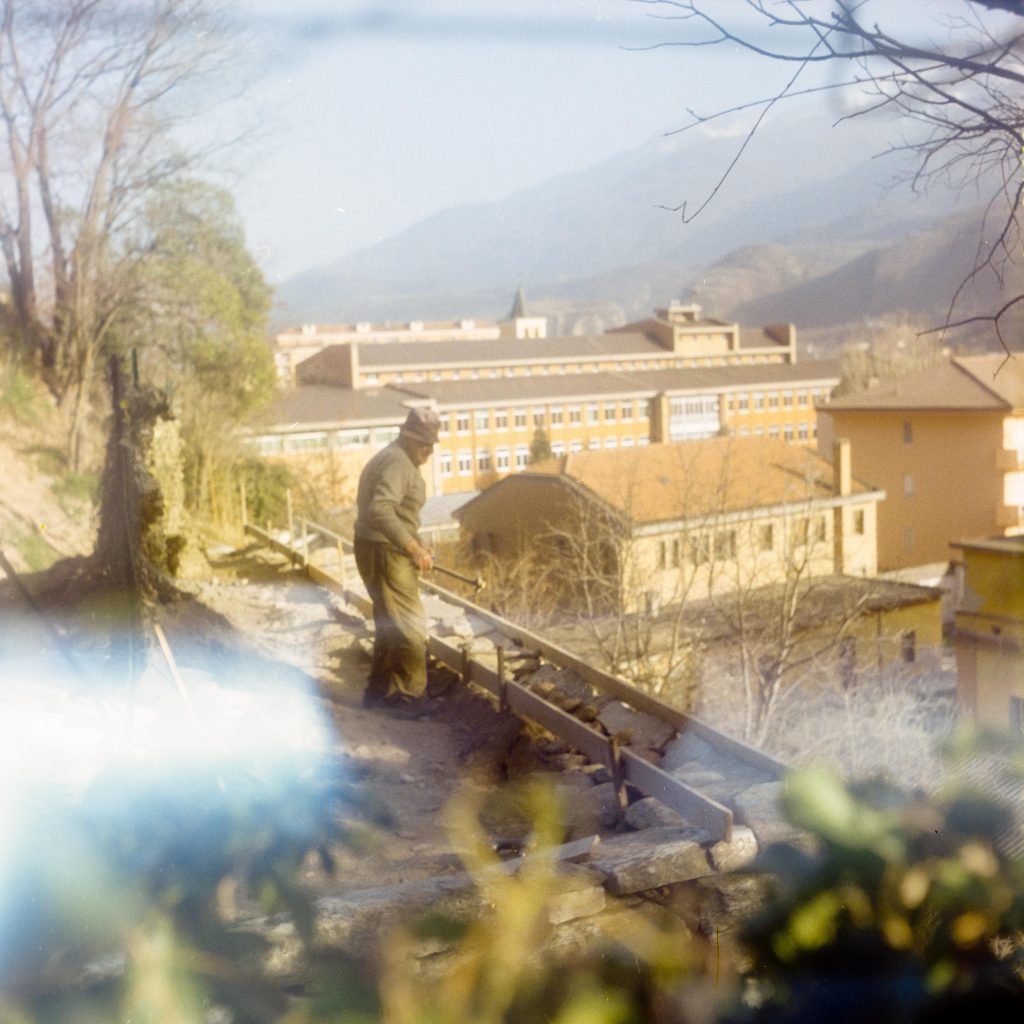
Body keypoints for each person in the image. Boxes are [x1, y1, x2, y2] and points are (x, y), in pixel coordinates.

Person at [353, 406, 441, 716]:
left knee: (390, 625)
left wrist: (415, 541)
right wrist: (411, 547)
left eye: (431, 444)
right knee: (410, 627)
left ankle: (378, 695)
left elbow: (397, 514)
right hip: (386, 553)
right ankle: (408, 700)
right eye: (424, 444)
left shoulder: (397, 458)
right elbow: (381, 510)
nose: (429, 451)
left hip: (380, 549)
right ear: (408, 437)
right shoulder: (397, 464)